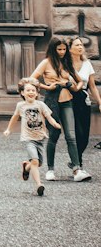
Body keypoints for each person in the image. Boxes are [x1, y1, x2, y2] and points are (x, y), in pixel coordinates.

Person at [30, 37, 89, 182]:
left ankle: (77, 170)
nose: (62, 52)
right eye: (59, 49)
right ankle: (50, 170)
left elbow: (80, 81)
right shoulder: (46, 62)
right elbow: (32, 79)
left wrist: (74, 86)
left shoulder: (67, 62)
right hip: (51, 102)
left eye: (64, 49)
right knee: (54, 135)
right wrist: (46, 87)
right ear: (53, 49)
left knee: (71, 136)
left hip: (67, 101)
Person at [4, 80, 62, 196]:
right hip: (28, 138)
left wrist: (55, 124)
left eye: (33, 90)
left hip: (40, 138)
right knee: (35, 161)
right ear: (22, 93)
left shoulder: (40, 105)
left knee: (38, 163)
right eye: (28, 90)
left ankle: (26, 167)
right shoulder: (21, 105)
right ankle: (39, 185)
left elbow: (48, 117)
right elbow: (15, 117)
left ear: (37, 93)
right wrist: (9, 129)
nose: (30, 92)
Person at [70, 36, 100, 171]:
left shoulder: (87, 64)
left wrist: (99, 102)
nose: (80, 47)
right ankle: (78, 164)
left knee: (84, 136)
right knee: (75, 132)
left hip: (84, 99)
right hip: (69, 99)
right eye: (76, 45)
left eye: (81, 45)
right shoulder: (65, 64)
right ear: (70, 49)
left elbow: (92, 86)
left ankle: (76, 160)